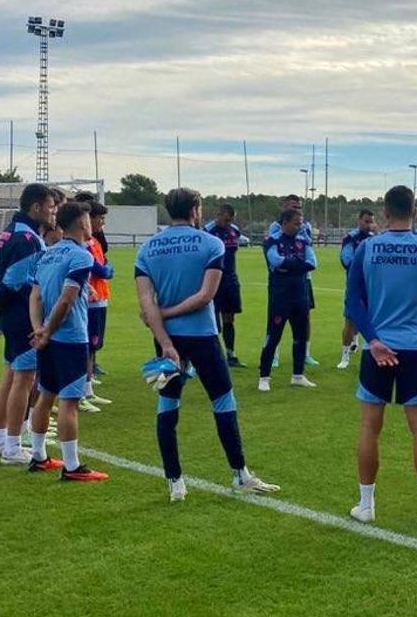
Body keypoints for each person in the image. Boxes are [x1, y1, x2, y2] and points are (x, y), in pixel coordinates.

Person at [136, 187, 279, 502]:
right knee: (223, 402)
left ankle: (175, 482)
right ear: (196, 209)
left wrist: (165, 338)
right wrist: (169, 313)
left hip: (166, 339)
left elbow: (146, 305)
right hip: (202, 336)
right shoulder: (211, 243)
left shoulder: (147, 248)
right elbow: (205, 297)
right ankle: (240, 474)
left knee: (168, 405)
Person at [344, 185, 417, 525]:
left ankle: (366, 506)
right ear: (414, 210)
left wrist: (373, 340)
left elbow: (353, 303)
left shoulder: (367, 248)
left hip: (377, 350)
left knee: (369, 428)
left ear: (384, 211)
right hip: (414, 348)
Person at [25, 201, 108, 481]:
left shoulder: (47, 254)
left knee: (46, 395)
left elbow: (35, 296)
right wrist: (48, 330)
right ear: (83, 223)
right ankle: (72, 467)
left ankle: (39, 457)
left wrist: (39, 329)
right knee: (70, 401)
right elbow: (67, 299)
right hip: (69, 337)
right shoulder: (80, 256)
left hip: (47, 338)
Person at [0, 183, 54, 464]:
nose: (52, 213)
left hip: (12, 313)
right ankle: (13, 446)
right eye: (50, 207)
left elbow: (3, 276)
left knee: (11, 375)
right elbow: (13, 280)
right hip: (24, 313)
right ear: (36, 207)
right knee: (24, 379)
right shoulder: (27, 239)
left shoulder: (10, 232)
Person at [258, 208, 318, 391]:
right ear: (284, 223)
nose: (300, 227)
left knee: (300, 336)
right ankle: (264, 377)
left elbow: (312, 263)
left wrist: (289, 265)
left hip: (300, 295)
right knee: (273, 335)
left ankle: (298, 375)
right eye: (296, 223)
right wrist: (298, 265)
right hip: (281, 296)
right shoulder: (272, 240)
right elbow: (275, 261)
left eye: (301, 223)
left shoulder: (303, 241)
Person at [267, 194, 318, 367]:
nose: (297, 209)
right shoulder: (275, 227)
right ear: (285, 206)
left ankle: (305, 354)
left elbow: (309, 250)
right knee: (275, 317)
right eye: (293, 206)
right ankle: (273, 355)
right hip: (280, 281)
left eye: (299, 207)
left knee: (305, 316)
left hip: (303, 278)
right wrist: (296, 263)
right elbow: (276, 253)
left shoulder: (305, 226)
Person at [79, 199, 113, 411]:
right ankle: (82, 392)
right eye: (99, 218)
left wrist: (106, 269)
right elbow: (102, 270)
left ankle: (88, 390)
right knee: (87, 348)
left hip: (100, 299)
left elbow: (105, 264)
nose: (102, 223)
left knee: (93, 347)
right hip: (90, 302)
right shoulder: (85, 244)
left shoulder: (97, 241)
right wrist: (106, 271)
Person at [204, 204, 246, 367]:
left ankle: (231, 353)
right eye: (226, 219)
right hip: (213, 279)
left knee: (229, 317)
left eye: (231, 220)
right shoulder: (208, 231)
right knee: (212, 318)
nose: (228, 222)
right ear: (219, 214)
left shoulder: (234, 230)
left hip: (230, 279)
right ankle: (213, 356)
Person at [338, 209, 378, 370]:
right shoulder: (350, 238)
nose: (369, 225)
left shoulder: (375, 239)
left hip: (373, 287)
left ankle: (372, 352)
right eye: (366, 221)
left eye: (371, 222)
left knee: (374, 320)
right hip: (355, 286)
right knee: (350, 321)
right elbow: (347, 261)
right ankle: (345, 355)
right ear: (359, 220)